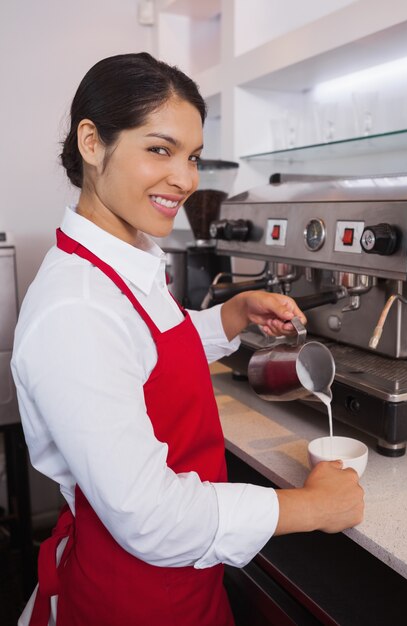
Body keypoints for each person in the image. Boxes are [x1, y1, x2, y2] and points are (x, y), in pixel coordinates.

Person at [12, 52, 364, 626]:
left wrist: (231, 316)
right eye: (160, 149)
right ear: (92, 142)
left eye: (193, 156)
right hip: (131, 599)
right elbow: (150, 517)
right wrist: (312, 507)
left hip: (183, 586)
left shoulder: (120, 268)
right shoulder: (74, 307)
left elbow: (146, 353)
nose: (185, 178)